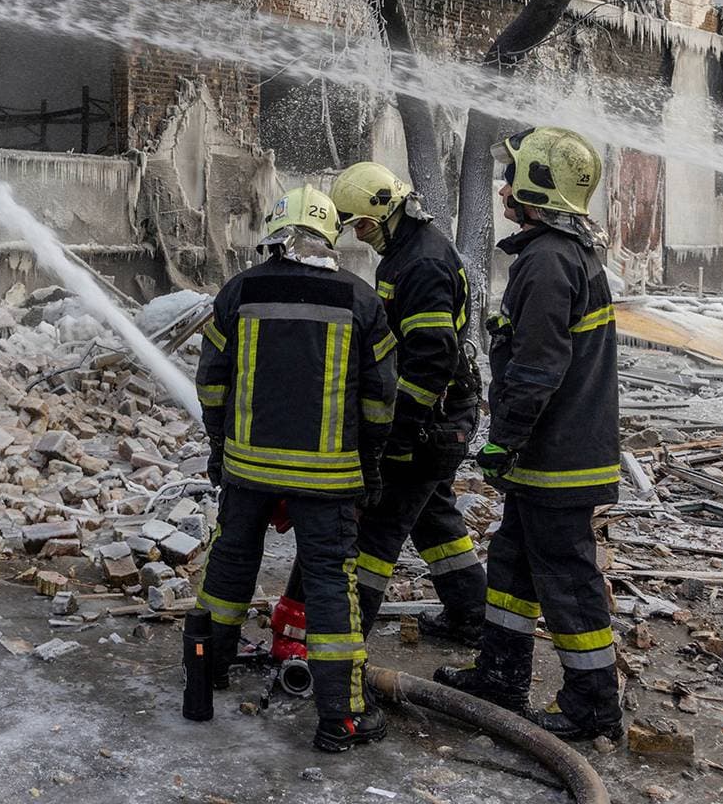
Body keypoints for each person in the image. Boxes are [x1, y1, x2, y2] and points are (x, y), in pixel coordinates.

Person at [190, 185, 399, 752]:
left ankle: (205, 675)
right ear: (329, 237)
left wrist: (220, 449)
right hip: (328, 476)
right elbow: (381, 401)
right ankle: (342, 718)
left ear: (276, 234)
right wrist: (370, 467)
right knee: (332, 583)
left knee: (230, 564)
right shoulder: (360, 300)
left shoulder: (238, 290)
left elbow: (210, 382)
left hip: (248, 467)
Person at [434, 126, 624, 742]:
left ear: (538, 187)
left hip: (555, 457)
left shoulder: (547, 260)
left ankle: (593, 705)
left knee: (566, 581)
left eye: (513, 176)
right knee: (512, 566)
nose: (503, 187)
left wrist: (504, 441)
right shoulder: (562, 253)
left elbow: (539, 368)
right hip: (556, 454)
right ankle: (501, 675)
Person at [328, 161, 486, 646]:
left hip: (429, 422)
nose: (359, 233)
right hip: (438, 417)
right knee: (435, 518)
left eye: (363, 224)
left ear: (388, 212)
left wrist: (398, 434)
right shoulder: (406, 252)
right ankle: (472, 615)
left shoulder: (422, 264)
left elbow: (430, 360)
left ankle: (344, 639)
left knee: (378, 529)